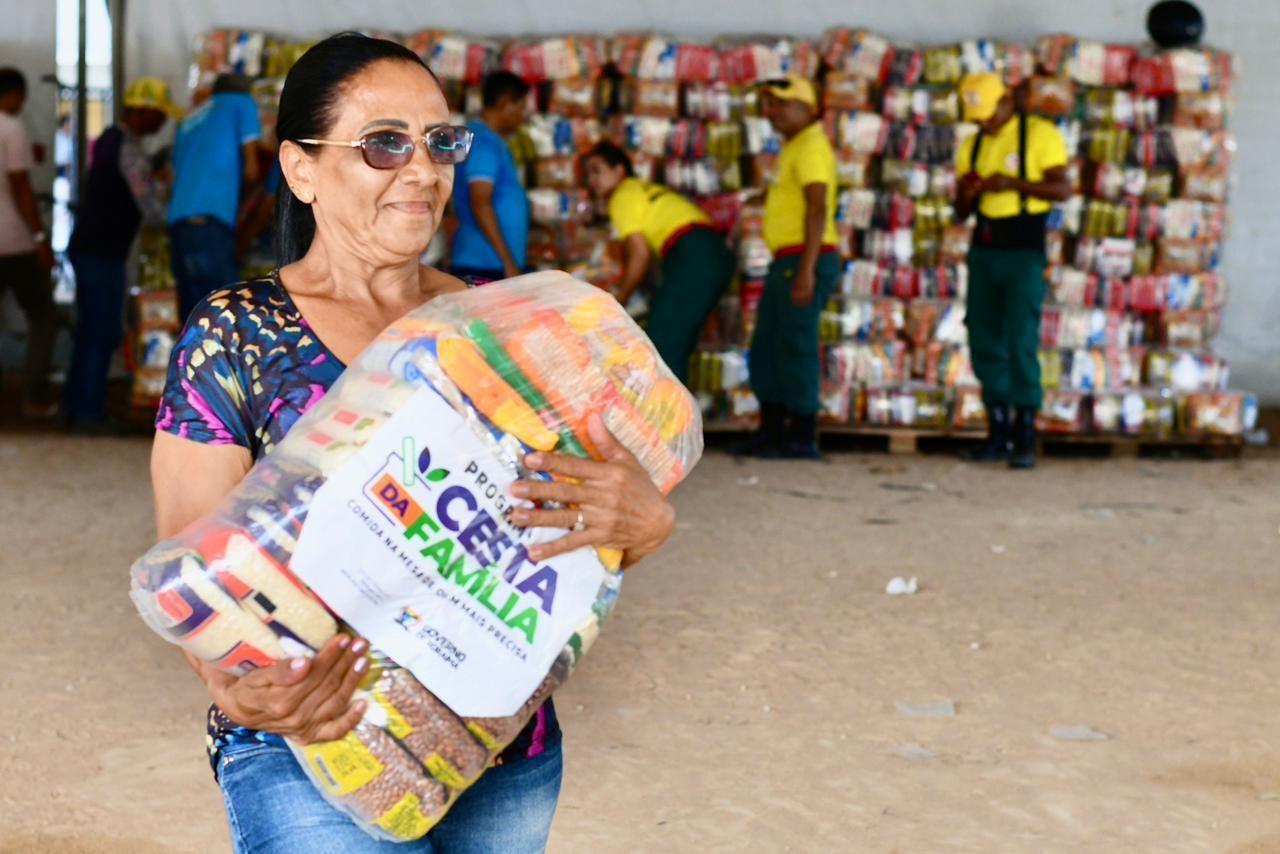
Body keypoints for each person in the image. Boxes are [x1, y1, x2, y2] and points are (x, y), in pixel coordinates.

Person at [150, 34, 675, 853]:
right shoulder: (238, 333)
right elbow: (195, 566)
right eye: (384, 143)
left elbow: (554, 538)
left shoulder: (499, 328)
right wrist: (234, 687)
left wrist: (639, 529)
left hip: (503, 749)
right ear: (301, 170)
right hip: (314, 747)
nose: (423, 171)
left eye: (441, 143)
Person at [954, 72, 1071, 470]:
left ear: (1007, 101)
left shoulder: (1040, 135)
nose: (984, 123)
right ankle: (996, 427)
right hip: (984, 247)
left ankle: (1025, 429)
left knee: (1021, 336)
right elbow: (960, 211)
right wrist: (968, 195)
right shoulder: (970, 146)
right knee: (983, 335)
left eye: (988, 114)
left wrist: (1013, 184)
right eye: (978, 117)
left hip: (1024, 248)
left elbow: (1061, 190)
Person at [63, 77, 178, 432]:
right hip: (101, 253)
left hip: (91, 249)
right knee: (101, 332)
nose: (162, 123)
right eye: (159, 115)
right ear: (142, 113)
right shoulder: (127, 149)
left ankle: (75, 406)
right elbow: (151, 209)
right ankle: (87, 413)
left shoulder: (111, 140)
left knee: (89, 332)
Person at [736, 77, 840, 460]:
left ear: (808, 108)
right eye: (769, 104)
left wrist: (807, 270)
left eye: (782, 103)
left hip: (803, 257)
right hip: (788, 259)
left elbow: (817, 207)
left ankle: (801, 434)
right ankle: (773, 428)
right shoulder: (793, 147)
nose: (772, 112)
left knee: (794, 345)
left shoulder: (811, 145)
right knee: (769, 344)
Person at [583, 141, 735, 384]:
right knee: (674, 341)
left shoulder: (622, 196)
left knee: (662, 344)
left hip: (692, 255)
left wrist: (618, 299)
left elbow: (639, 255)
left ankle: (671, 419)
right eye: (588, 174)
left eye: (596, 170)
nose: (591, 180)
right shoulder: (642, 190)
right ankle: (678, 415)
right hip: (710, 253)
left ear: (620, 170)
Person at [168, 73, 261, 321]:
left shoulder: (190, 119)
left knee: (193, 320)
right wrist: (246, 205)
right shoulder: (242, 103)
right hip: (210, 223)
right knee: (226, 318)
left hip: (179, 224)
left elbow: (174, 173)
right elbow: (252, 170)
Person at [0, 67, 57, 418]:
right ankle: (33, 397)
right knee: (43, 315)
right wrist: (40, 238)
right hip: (13, 241)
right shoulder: (10, 126)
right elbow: (21, 187)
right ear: (13, 93)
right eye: (21, 96)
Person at [449, 71, 531, 283]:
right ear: (505, 104)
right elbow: (480, 202)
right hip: (484, 264)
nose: (523, 115)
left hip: (488, 263)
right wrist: (508, 262)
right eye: (521, 107)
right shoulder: (484, 143)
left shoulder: (489, 141)